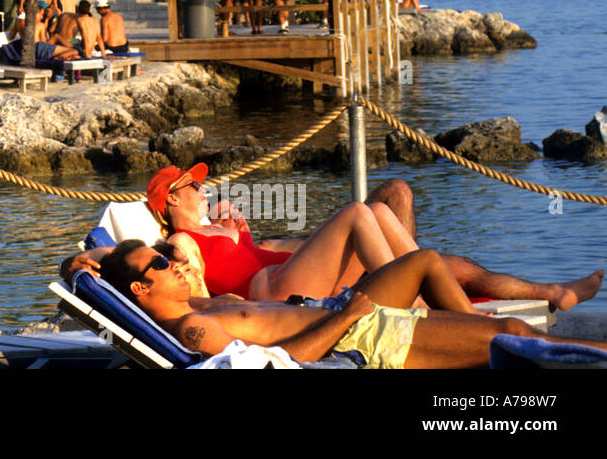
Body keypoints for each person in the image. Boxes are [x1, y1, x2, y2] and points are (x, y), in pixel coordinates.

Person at [121, 164, 602, 310]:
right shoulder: (179, 245)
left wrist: (236, 229)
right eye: (192, 187)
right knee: (358, 212)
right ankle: (428, 302)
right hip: (273, 295)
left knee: (390, 198)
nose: (203, 190)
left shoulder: (217, 228)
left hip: (291, 272)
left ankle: (551, 292)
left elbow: (280, 250)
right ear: (168, 202)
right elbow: (189, 290)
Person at [93, 240, 607, 368]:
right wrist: (347, 316)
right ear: (140, 290)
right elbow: (288, 365)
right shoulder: (193, 333)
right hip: (362, 335)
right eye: (159, 263)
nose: (171, 260)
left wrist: (84, 266)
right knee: (514, 337)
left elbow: (86, 260)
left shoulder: (198, 308)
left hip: (350, 317)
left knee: (512, 328)